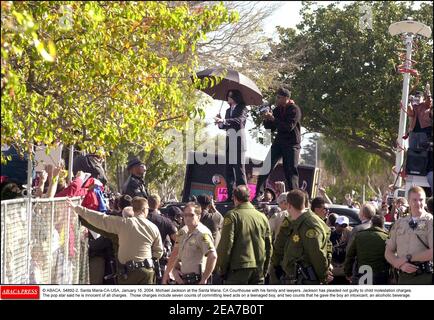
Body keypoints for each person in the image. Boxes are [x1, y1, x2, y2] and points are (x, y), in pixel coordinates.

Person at [67, 196, 163, 284]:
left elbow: (100, 219)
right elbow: (158, 252)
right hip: (147, 272)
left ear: (134, 209)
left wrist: (77, 208)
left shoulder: (123, 224)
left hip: (128, 274)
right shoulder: (153, 227)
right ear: (145, 209)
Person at [272, 189, 333, 285]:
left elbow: (317, 253)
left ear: (288, 205)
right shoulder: (294, 220)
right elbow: (280, 244)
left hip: (306, 279)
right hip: (292, 276)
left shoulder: (309, 225)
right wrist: (277, 265)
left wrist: (323, 275)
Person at [216, 185, 272, 284]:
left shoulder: (232, 215)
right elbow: (268, 246)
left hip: (238, 271)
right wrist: (265, 270)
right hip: (258, 269)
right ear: (249, 197)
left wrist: (221, 268)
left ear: (235, 198)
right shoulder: (262, 217)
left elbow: (226, 244)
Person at [253, 87, 302, 202]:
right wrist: (266, 119)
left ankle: (295, 199)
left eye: (279, 97)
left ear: (286, 98)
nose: (277, 99)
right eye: (277, 97)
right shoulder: (277, 109)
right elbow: (270, 128)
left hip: (292, 144)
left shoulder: (294, 110)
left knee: (290, 171)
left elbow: (288, 127)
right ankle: (258, 195)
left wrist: (273, 119)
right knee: (266, 167)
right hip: (279, 143)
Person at [385, 186, 433, 284]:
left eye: (421, 200)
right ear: (408, 201)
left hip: (424, 277)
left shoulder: (430, 221)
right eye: (414, 200)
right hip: (402, 276)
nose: (418, 203)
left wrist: (408, 258)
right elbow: (388, 251)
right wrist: (398, 264)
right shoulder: (399, 223)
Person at [162, 202, 217, 285]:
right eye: (185, 215)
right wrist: (172, 271)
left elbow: (213, 256)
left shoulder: (202, 233)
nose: (187, 218)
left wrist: (204, 279)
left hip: (197, 280)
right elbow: (175, 254)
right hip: (183, 280)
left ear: (198, 216)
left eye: (191, 215)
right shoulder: (182, 232)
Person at [214, 89, 248, 202]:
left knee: (239, 170)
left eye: (230, 96)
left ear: (235, 97)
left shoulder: (242, 108)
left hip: (239, 142)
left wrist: (224, 120)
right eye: (228, 95)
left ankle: (243, 197)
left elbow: (238, 121)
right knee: (228, 171)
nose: (228, 98)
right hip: (229, 143)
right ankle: (230, 196)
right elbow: (226, 126)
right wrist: (220, 123)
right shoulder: (228, 110)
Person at [344, 215, 389, 285]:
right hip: (380, 275)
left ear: (371, 223)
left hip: (362, 274)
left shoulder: (359, 236)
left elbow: (350, 255)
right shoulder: (386, 237)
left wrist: (348, 272)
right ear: (383, 224)